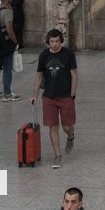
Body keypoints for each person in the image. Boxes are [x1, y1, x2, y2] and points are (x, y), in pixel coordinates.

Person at [31, 29, 78, 169]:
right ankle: (57, 155)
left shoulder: (69, 54)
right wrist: (34, 95)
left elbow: (74, 74)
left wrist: (73, 94)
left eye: (57, 41)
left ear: (61, 40)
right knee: (53, 126)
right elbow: (39, 75)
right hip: (49, 97)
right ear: (48, 42)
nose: (55, 44)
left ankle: (71, 136)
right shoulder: (44, 55)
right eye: (52, 41)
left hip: (65, 96)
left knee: (67, 126)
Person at [0, 0, 21, 102]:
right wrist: (15, 40)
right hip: (5, 42)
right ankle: (7, 94)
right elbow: (9, 28)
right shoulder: (8, 11)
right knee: (7, 67)